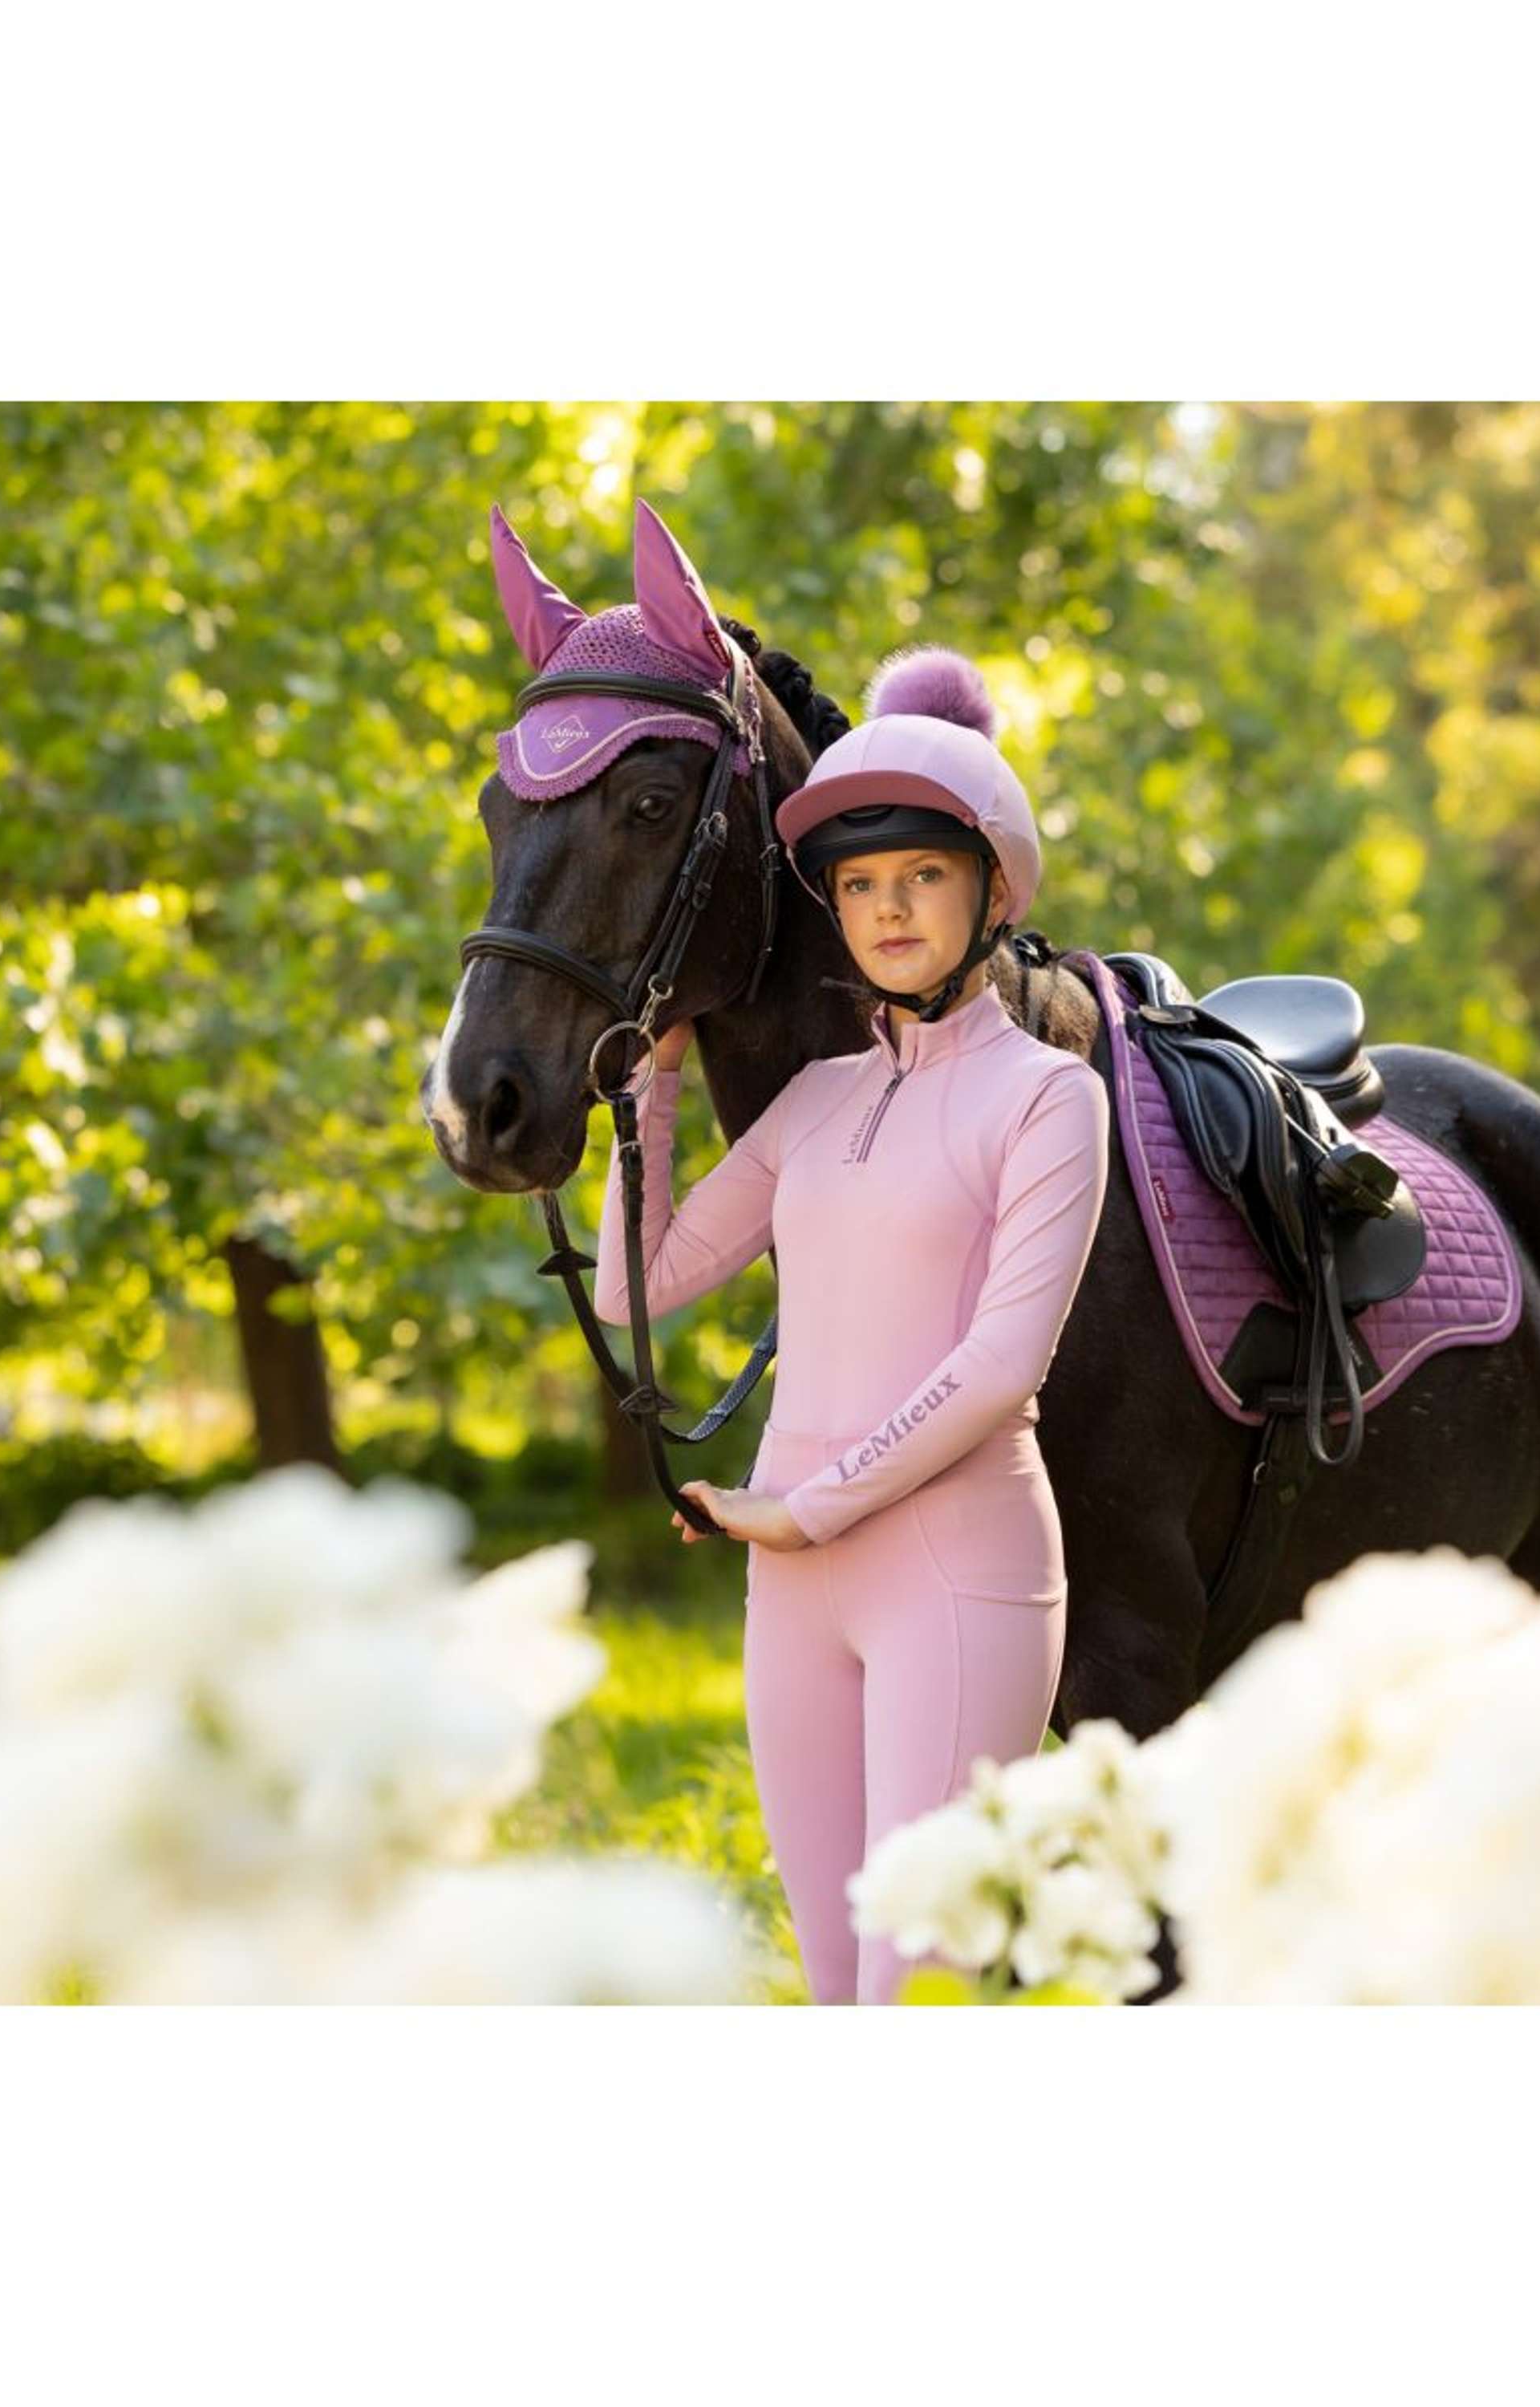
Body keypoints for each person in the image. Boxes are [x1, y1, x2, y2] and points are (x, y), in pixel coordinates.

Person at [592, 647, 1111, 2005]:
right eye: (862, 885)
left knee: (913, 1988)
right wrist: (652, 1084)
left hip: (957, 1570)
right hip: (792, 1584)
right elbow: (633, 1286)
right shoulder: (815, 1101)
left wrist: (803, 1509)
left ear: (992, 890)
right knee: (833, 1986)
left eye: (923, 876)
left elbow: (1001, 1364)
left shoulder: (1050, 1099)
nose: (889, 909)